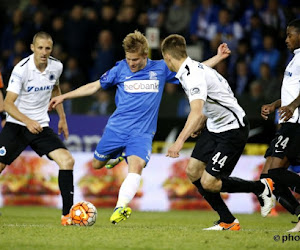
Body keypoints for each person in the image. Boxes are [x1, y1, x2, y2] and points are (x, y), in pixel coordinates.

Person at [49, 30, 230, 225]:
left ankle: (121, 206)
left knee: (136, 167)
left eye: (135, 59)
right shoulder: (119, 69)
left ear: (145, 55)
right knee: (97, 165)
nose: (131, 63)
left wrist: (218, 57)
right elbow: (94, 86)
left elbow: (195, 71)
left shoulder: (161, 69)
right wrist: (64, 96)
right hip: (116, 129)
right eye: (128, 59)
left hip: (142, 133)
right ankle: (119, 156)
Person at [161, 34, 274, 231]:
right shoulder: (192, 68)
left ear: (167, 58)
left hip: (233, 129)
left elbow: (196, 112)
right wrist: (218, 58)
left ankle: (261, 187)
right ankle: (228, 221)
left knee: (210, 182)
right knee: (192, 171)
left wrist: (179, 142)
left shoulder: (192, 75)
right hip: (214, 126)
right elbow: (205, 93)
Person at [0, 31, 74, 226]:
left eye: (47, 48)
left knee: (67, 161)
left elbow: (55, 89)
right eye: (40, 48)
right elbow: (7, 104)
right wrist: (27, 121)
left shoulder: (56, 66)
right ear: (32, 48)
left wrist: (62, 118)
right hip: (17, 124)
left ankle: (68, 217)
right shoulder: (21, 69)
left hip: (40, 125)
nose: (44, 52)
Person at [260, 19, 300, 232]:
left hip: (295, 124)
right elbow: (290, 94)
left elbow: (296, 98)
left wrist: (293, 106)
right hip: (286, 122)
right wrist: (275, 104)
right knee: (267, 178)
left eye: (290, 35)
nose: (286, 39)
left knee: (274, 175)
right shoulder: (294, 59)